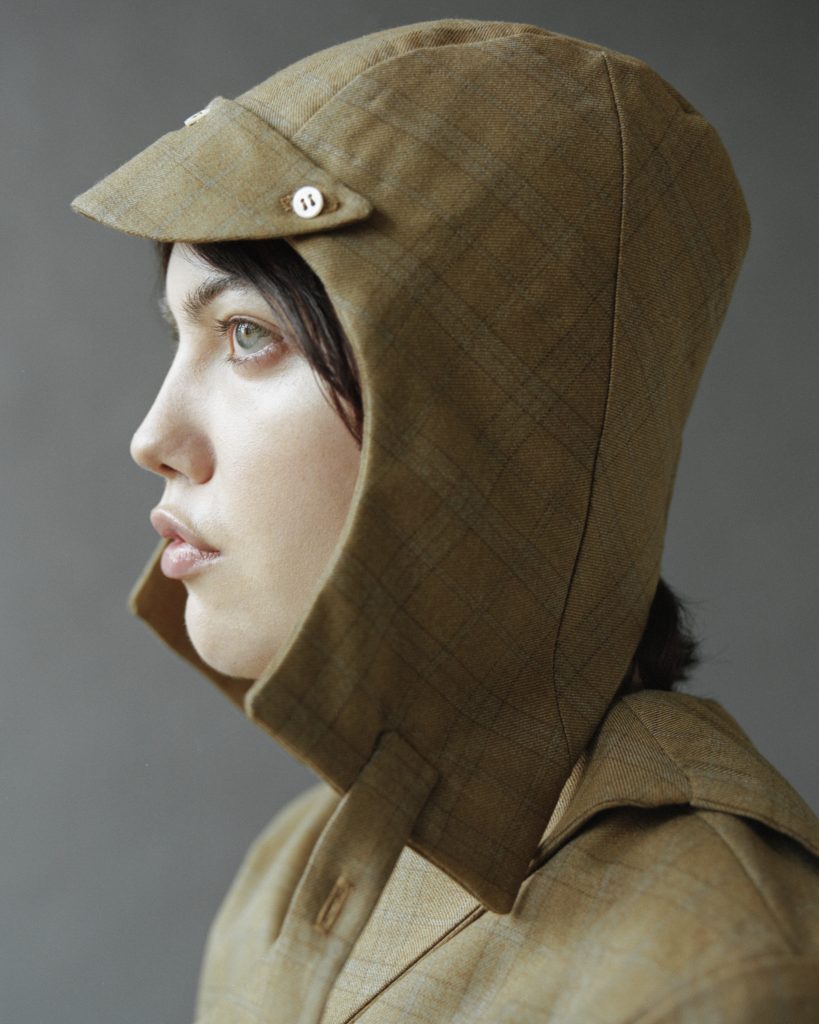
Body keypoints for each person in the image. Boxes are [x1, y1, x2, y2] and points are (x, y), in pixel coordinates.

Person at [71, 17, 819, 1024]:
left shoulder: (714, 970)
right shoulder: (290, 875)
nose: (153, 436)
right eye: (180, 335)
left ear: (482, 418)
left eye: (248, 335)